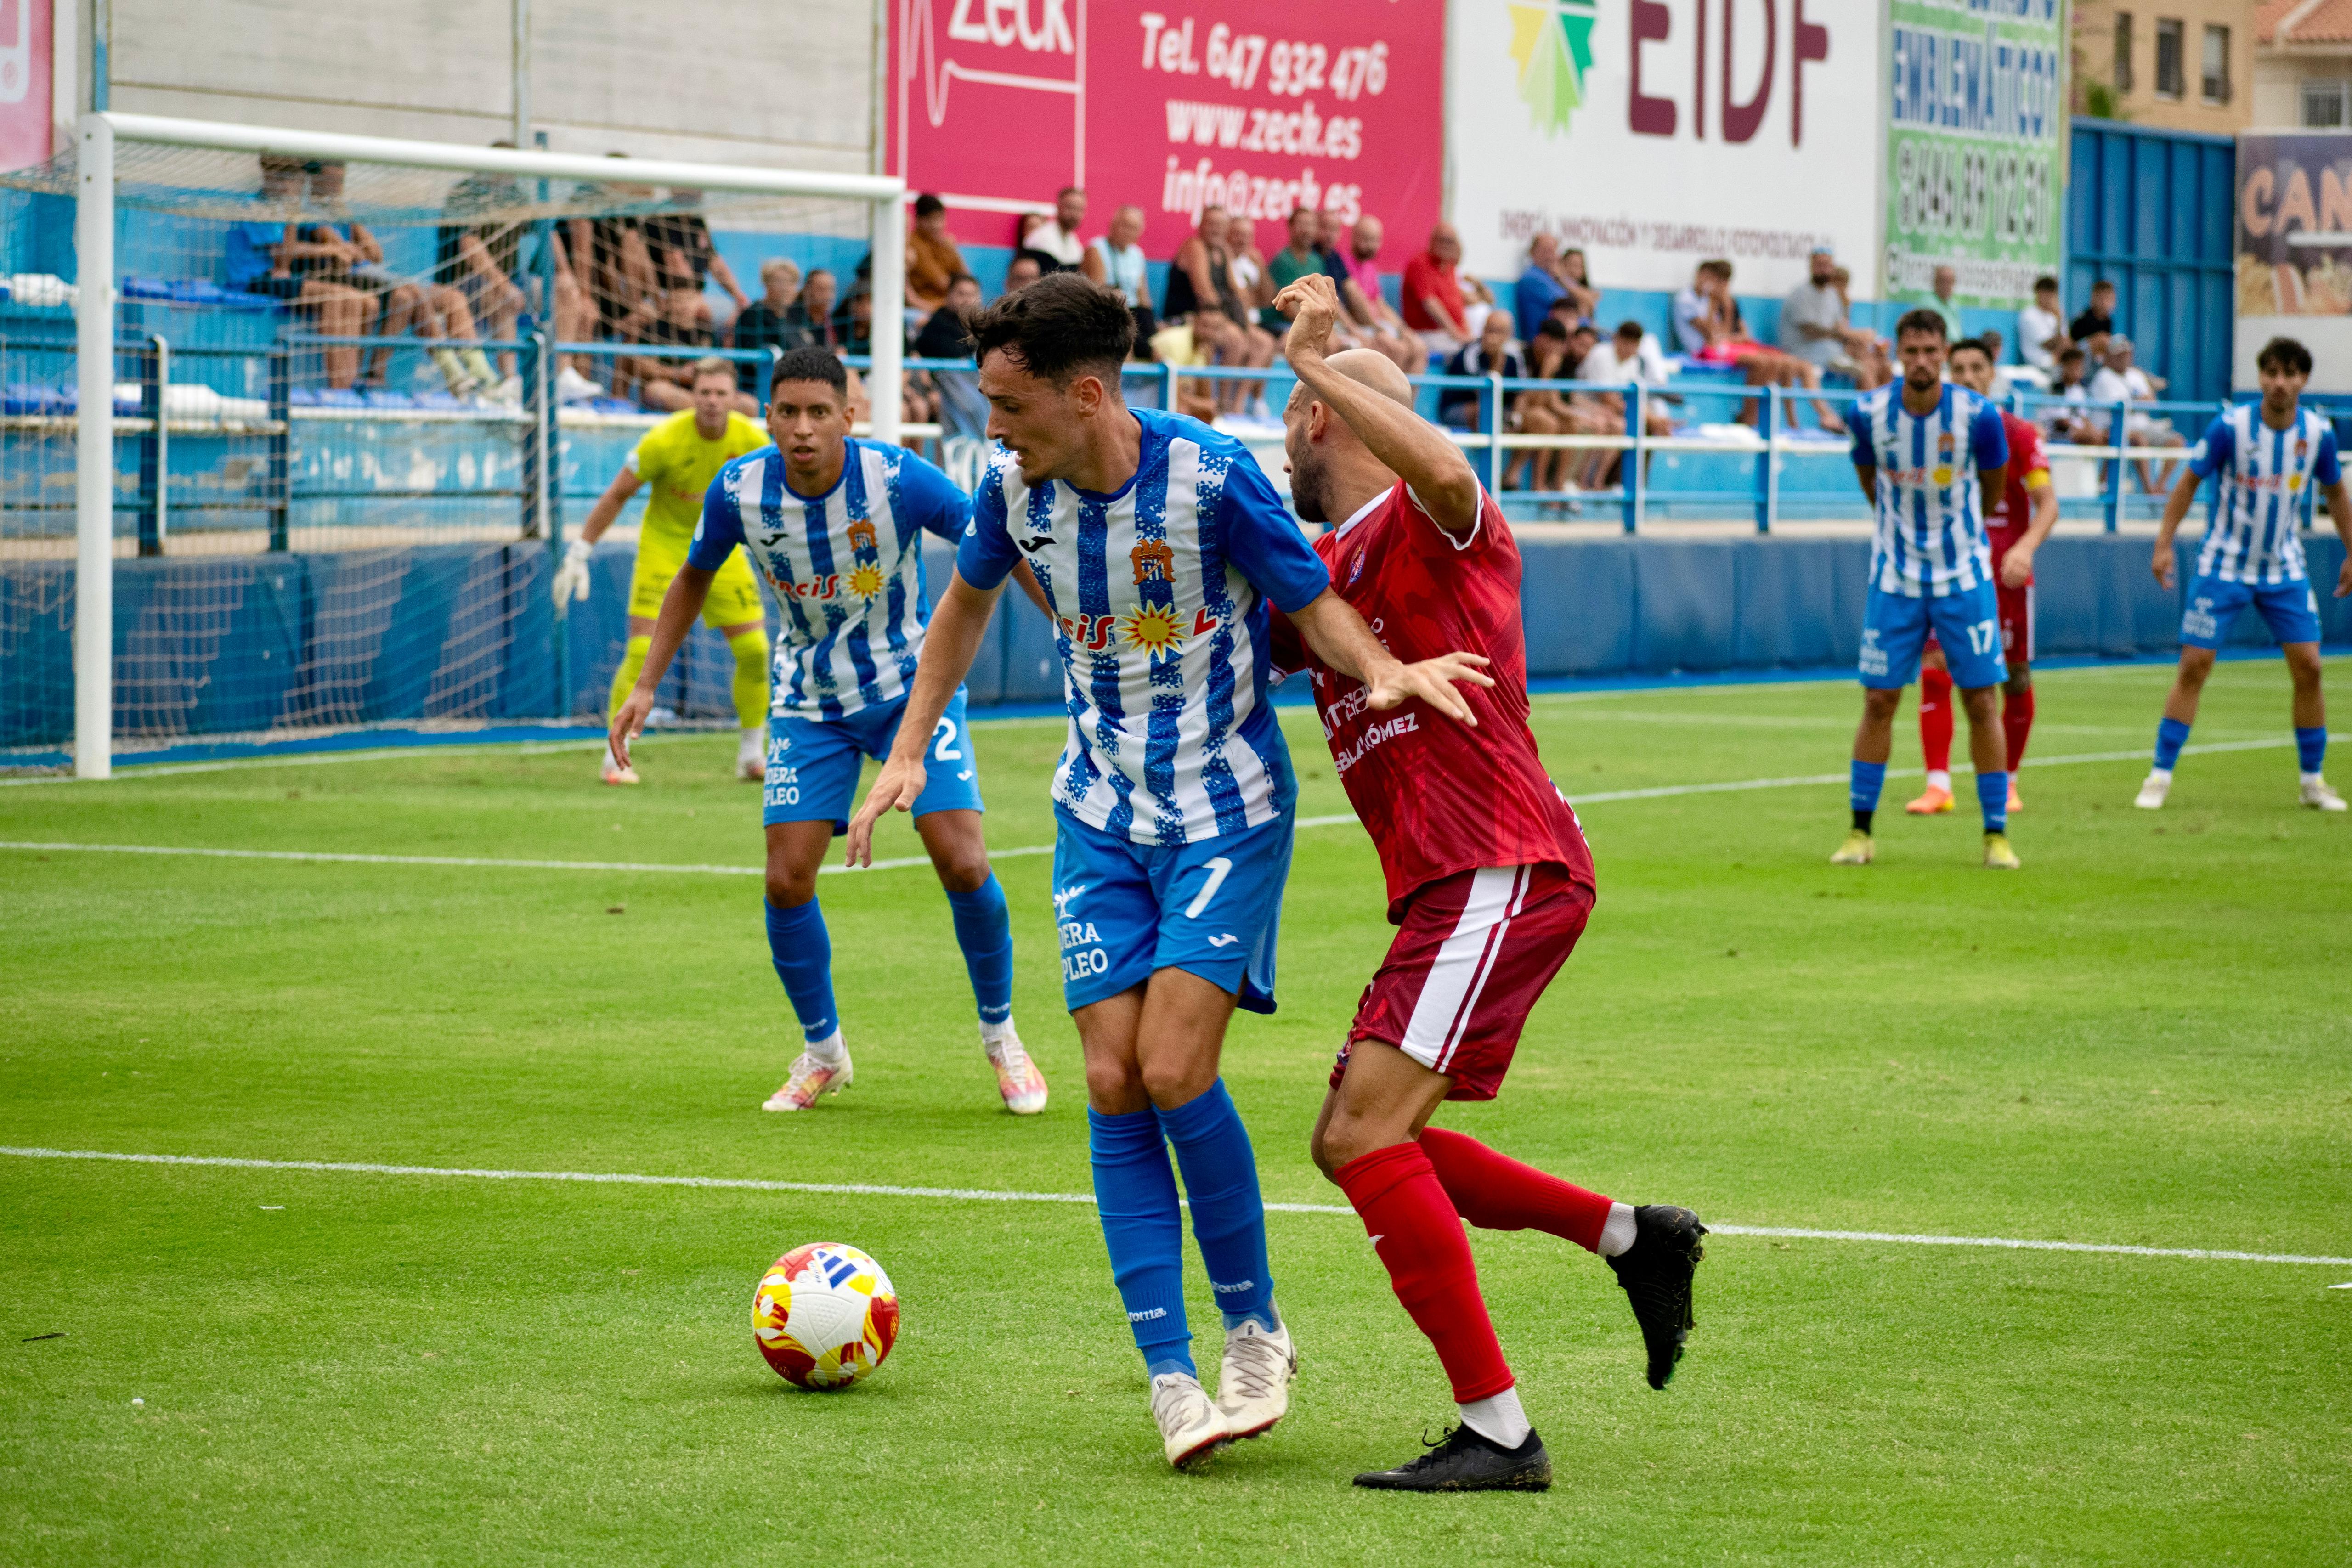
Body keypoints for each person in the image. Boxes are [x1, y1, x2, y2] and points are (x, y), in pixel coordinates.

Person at [844, 273, 1476, 1472]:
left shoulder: (1211, 477)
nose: (995, 428)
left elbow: (1314, 597)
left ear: (1087, 395)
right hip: (1097, 815)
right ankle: (1170, 1371)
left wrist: (1382, 668)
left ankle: (1255, 1329)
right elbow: (961, 612)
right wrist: (911, 744)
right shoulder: (1013, 495)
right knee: (1110, 1075)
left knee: (1175, 1063)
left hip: (1224, 809)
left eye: (1011, 406)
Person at [1269, 271, 1707, 1492]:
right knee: (1359, 1135)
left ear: (1317, 420)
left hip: (1497, 861)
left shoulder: (1430, 516)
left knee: (1361, 1132)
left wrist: (1315, 362)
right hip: (1456, 881)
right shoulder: (1312, 571)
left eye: (1299, 411)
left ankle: (1502, 1432)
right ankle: (1632, 1235)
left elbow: (1450, 474)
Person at [606, 347, 1049, 1117]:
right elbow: (693, 576)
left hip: (912, 690)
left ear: (849, 414)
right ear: (768, 416)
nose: (804, 429)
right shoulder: (740, 488)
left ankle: (1002, 1036)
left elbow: (993, 538)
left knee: (965, 860)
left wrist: (1070, 627)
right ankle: (823, 1052)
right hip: (809, 700)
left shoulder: (897, 478)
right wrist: (647, 681)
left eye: (820, 412)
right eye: (789, 413)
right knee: (786, 877)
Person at [1832, 310, 2018, 870]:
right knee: (1878, 700)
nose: (1919, 362)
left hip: (1963, 575)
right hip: (1894, 577)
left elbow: (1992, 489)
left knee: (1981, 700)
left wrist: (1957, 537)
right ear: (1899, 356)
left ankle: (1995, 834)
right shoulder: (1865, 415)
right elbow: (1868, 479)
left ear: (1943, 353)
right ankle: (1859, 833)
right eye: (1910, 352)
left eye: (1929, 352)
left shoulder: (1978, 418)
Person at [2135, 336, 2352, 813]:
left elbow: (2335, 492)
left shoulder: (2317, 433)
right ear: (2260, 377)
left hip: (2283, 567)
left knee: (2310, 668)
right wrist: (2163, 542)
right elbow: (2188, 481)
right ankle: (2159, 774)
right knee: (2194, 666)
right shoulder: (2229, 427)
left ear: (2303, 380)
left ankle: (2312, 781)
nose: (2279, 383)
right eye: (2270, 373)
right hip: (2223, 565)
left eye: (2289, 373)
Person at [554, 357, 772, 787]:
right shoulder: (664, 439)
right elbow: (617, 494)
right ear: (693, 396)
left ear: (735, 399)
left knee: (756, 652)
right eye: (704, 393)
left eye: (721, 394)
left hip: (724, 552)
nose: (712, 402)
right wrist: (580, 550)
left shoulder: (754, 441)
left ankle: (752, 754)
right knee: (641, 653)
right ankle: (615, 758)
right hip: (665, 550)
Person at [1906, 337, 2060, 817]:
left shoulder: (2018, 435)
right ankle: (1937, 785)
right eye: (1959, 368)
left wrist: (2025, 547)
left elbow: (2047, 504)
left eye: (1977, 368)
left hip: (2004, 577)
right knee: (1934, 669)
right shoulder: (1932, 435)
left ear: (1992, 374)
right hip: (1946, 573)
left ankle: (2008, 780)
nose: (1968, 376)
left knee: (2011, 679)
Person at [2088, 336, 2183, 492]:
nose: (2124, 358)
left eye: (2126, 354)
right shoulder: (2103, 377)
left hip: (2143, 426)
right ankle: (2149, 490)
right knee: (2140, 440)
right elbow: (2120, 407)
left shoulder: (2136, 375)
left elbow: (2151, 401)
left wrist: (2136, 402)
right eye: (2119, 354)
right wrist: (2138, 401)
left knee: (2177, 442)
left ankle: (2160, 487)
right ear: (2110, 357)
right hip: (2114, 429)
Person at [1339, 215, 1428, 374]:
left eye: (1375, 240)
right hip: (1361, 327)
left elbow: (1380, 304)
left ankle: (1406, 400)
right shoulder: (1343, 264)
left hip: (1377, 326)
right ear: (1354, 237)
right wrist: (1378, 329)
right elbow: (1355, 306)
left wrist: (1403, 329)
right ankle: (1387, 397)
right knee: (1398, 350)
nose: (1371, 245)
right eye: (1366, 239)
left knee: (1419, 347)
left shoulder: (1370, 267)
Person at [914, 273, 989, 441]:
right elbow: (949, 354)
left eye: (972, 295)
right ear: (949, 296)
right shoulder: (937, 324)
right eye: (961, 294)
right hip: (940, 388)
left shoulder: (984, 327)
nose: (967, 300)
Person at [732, 258, 814, 395]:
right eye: (780, 282)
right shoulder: (753, 315)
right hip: (759, 389)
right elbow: (756, 364)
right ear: (766, 284)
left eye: (792, 282)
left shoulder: (795, 318)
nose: (786, 288)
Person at [1401, 223, 1482, 357]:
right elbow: (1431, 305)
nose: (1446, 245)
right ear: (1432, 241)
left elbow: (1458, 304)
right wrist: (1457, 335)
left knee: (1479, 349)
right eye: (1442, 240)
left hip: (1447, 335)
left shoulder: (1449, 267)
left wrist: (1466, 335)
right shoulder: (1419, 264)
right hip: (1427, 334)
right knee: (1470, 353)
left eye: (1451, 241)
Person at [1437, 310, 1526, 431]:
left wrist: (1516, 418)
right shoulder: (1470, 353)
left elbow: (1521, 392)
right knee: (1486, 412)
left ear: (1509, 334)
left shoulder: (1515, 354)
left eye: (1499, 332)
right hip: (1457, 409)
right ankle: (1488, 450)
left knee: (1537, 419)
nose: (1493, 336)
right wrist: (1497, 361)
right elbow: (1484, 395)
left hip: (1500, 410)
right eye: (1489, 330)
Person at [1088, 203, 1158, 341]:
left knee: (1154, 338)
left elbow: (1143, 297)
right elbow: (1096, 292)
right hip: (1110, 312)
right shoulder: (1096, 249)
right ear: (1112, 225)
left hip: (1135, 312)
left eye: (1133, 228)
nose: (1128, 232)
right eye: (1124, 226)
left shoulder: (1137, 254)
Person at [1261, 206, 1329, 335]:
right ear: (1290, 227)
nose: (1306, 230)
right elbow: (1289, 307)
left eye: (1310, 225)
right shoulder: (1283, 261)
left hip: (1307, 322)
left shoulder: (1317, 261)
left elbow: (1323, 300)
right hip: (1280, 325)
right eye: (1302, 224)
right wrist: (1316, 328)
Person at [905, 194, 967, 319]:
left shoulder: (944, 244)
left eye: (941, 219)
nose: (938, 225)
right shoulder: (914, 245)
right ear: (919, 220)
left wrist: (955, 252)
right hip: (924, 310)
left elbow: (967, 280)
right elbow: (943, 283)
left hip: (947, 308)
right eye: (933, 220)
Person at [1512, 233, 1568, 342]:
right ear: (1533, 252)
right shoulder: (1532, 278)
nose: (1549, 255)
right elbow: (1569, 305)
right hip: (1541, 341)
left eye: (1553, 251)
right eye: (1545, 250)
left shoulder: (1552, 278)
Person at [1030, 186, 1089, 272]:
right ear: (1058, 207)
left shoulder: (1074, 242)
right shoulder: (1041, 237)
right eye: (1070, 207)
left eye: (1079, 209)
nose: (1075, 214)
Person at [2017, 276, 2066, 374]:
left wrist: (2058, 320)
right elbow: (2050, 346)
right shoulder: (2029, 315)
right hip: (2038, 368)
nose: (2049, 298)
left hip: (2056, 366)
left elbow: (2067, 343)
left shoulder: (2055, 315)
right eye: (2046, 293)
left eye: (2052, 294)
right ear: (2038, 293)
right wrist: (2059, 320)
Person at [1923, 265, 1964, 343]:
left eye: (1950, 282)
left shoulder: (1953, 305)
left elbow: (1958, 334)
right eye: (1943, 281)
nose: (1947, 286)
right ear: (1935, 282)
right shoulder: (1927, 304)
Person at [2069, 279, 2117, 347]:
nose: (2105, 304)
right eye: (2101, 299)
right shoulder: (2082, 321)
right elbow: (2072, 348)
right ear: (2093, 299)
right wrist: (2094, 342)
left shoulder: (2108, 321)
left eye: (2109, 299)